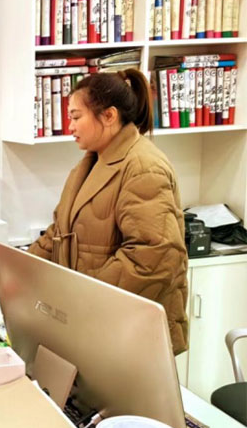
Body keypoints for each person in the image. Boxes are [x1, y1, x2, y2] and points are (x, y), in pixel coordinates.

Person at [29, 69, 189, 355]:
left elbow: (152, 256)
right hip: (95, 322)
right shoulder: (89, 164)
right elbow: (59, 231)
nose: (70, 126)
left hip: (128, 330)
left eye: (76, 117)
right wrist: (22, 269)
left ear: (109, 116)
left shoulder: (143, 167)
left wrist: (87, 298)